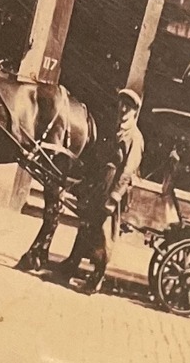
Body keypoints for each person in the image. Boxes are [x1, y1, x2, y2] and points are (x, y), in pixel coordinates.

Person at [59, 88, 145, 294]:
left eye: (129, 107)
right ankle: (71, 264)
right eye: (122, 104)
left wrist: (114, 197)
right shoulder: (119, 130)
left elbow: (127, 170)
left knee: (104, 234)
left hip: (114, 189)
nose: (123, 109)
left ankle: (96, 280)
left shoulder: (135, 137)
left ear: (135, 111)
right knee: (87, 225)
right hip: (102, 184)